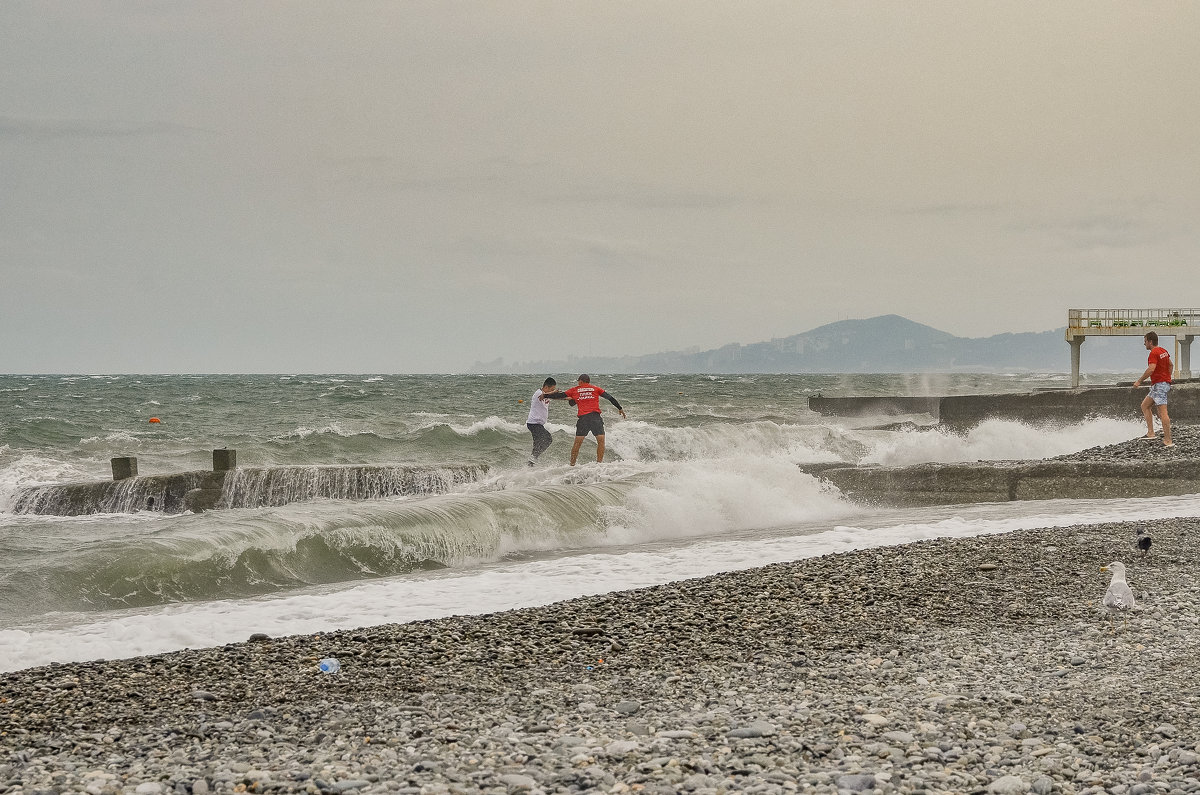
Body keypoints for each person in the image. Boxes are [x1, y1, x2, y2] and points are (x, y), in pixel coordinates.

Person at [542, 374, 626, 465]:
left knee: (577, 444)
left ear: (581, 381)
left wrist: (545, 396)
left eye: (578, 381)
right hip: (595, 418)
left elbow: (559, 395)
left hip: (583, 419)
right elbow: (610, 398)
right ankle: (599, 464)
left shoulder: (575, 389)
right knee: (601, 441)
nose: (578, 382)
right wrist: (620, 408)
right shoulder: (596, 389)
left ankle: (572, 465)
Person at [1133, 331, 1174, 447]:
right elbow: (1171, 365)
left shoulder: (1154, 353)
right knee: (1145, 406)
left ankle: (1168, 441)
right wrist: (1167, 378)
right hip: (1159, 384)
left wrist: (1139, 381)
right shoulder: (1163, 351)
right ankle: (1151, 433)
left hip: (1159, 385)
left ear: (1150, 341)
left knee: (1163, 412)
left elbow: (1151, 369)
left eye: (1145, 341)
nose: (1144, 344)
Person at [526, 377, 559, 466]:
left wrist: (570, 398)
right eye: (552, 389)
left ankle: (530, 464)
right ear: (546, 387)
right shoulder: (538, 393)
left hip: (538, 424)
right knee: (548, 439)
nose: (553, 391)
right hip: (533, 423)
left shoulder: (547, 394)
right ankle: (533, 457)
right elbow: (541, 398)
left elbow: (557, 397)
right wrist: (554, 392)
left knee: (537, 443)